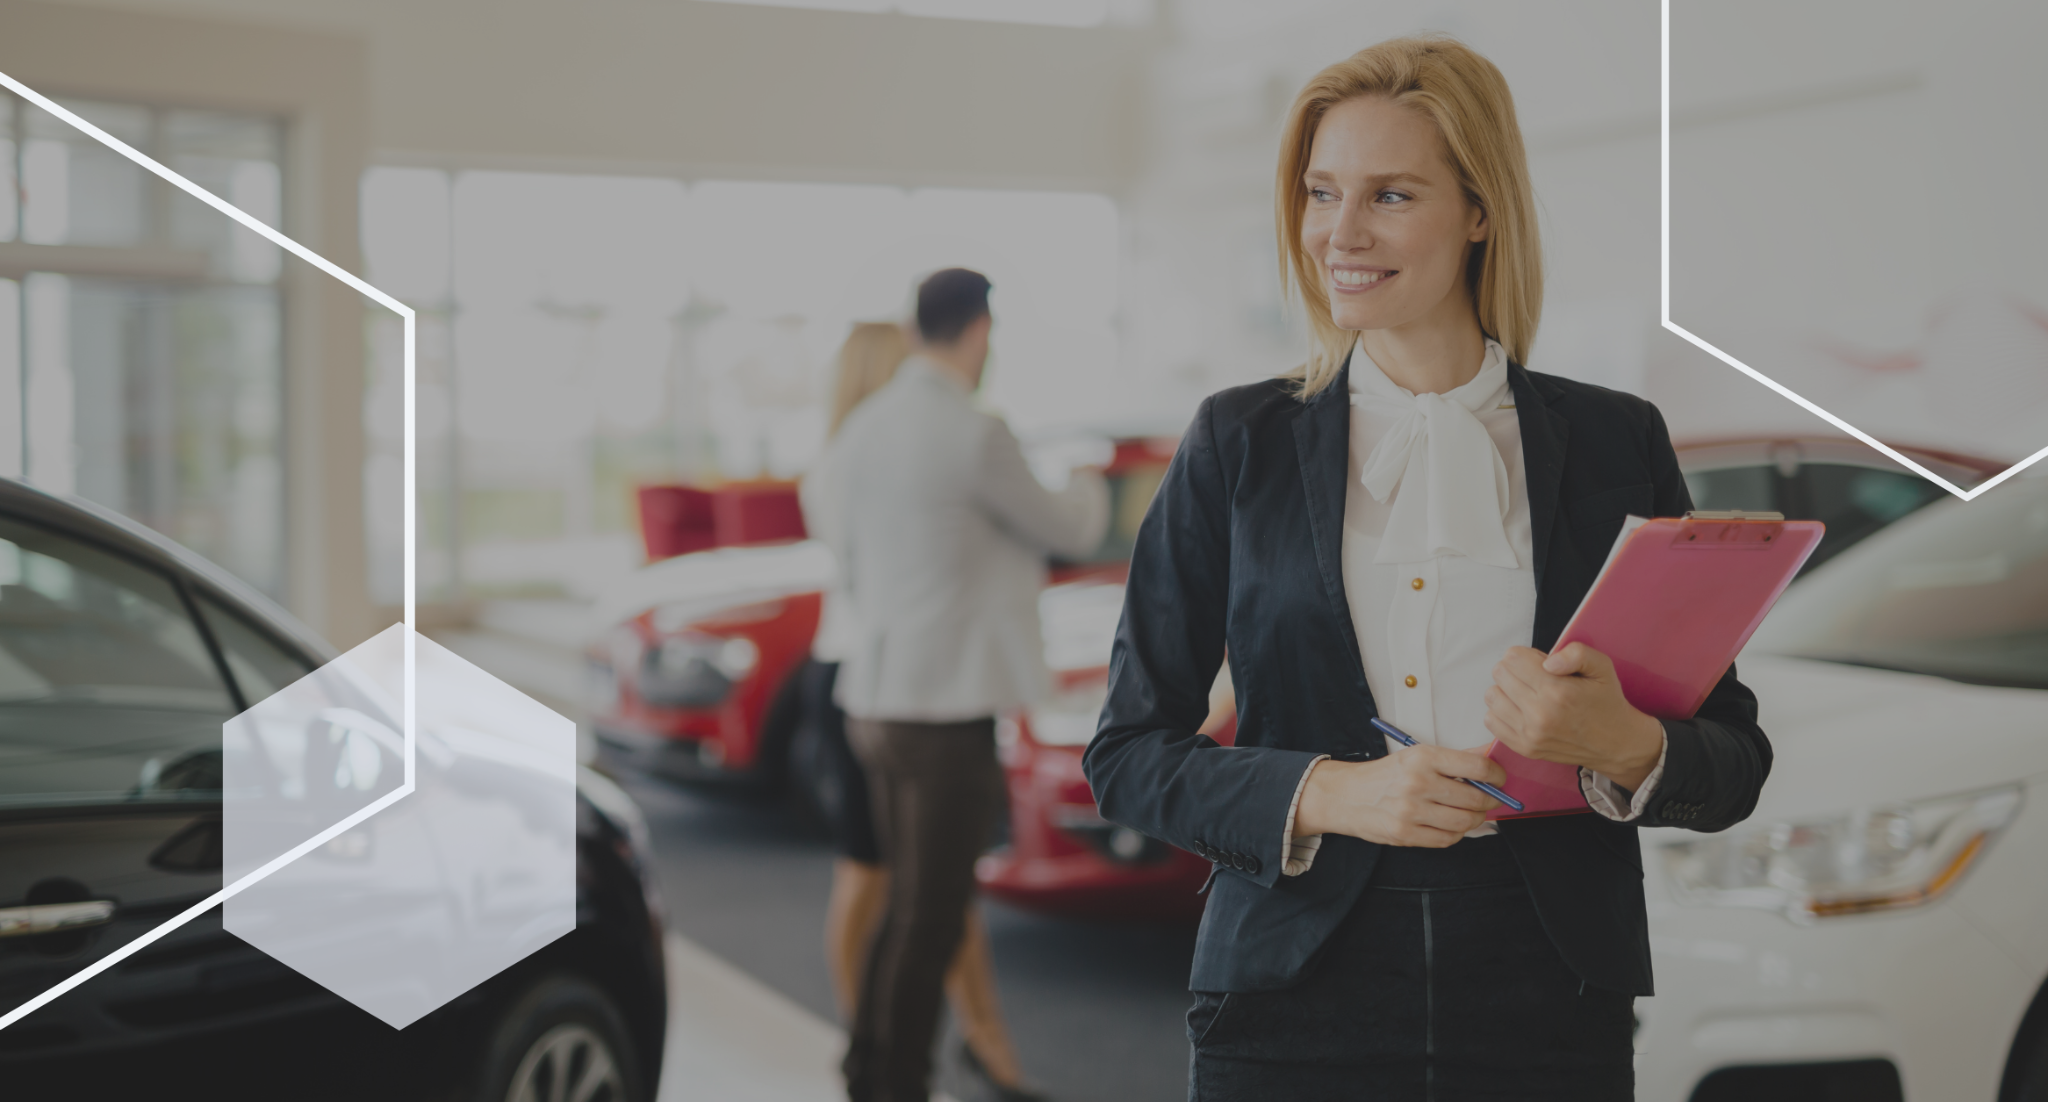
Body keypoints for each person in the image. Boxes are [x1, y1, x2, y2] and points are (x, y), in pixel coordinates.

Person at [1083, 37, 1771, 1100]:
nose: (1338, 234)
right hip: (1288, 988)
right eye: (1320, 193)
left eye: (1389, 195)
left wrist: (1620, 743)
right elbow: (1128, 755)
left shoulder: (1613, 441)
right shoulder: (1238, 440)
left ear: (1479, 209)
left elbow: (1732, 760)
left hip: (1547, 993)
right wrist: (1334, 793)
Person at [811, 269, 1109, 1102]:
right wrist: (1086, 476)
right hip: (942, 712)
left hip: (872, 697)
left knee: (904, 908)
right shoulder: (974, 432)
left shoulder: (863, 428)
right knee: (932, 917)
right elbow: (1070, 527)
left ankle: (865, 1069)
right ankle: (893, 1084)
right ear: (980, 331)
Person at [798, 320, 1036, 1100]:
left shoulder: (870, 448)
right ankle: (878, 1052)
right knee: (893, 890)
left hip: (874, 685)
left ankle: (964, 1042)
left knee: (924, 895)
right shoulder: (874, 451)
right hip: (881, 685)